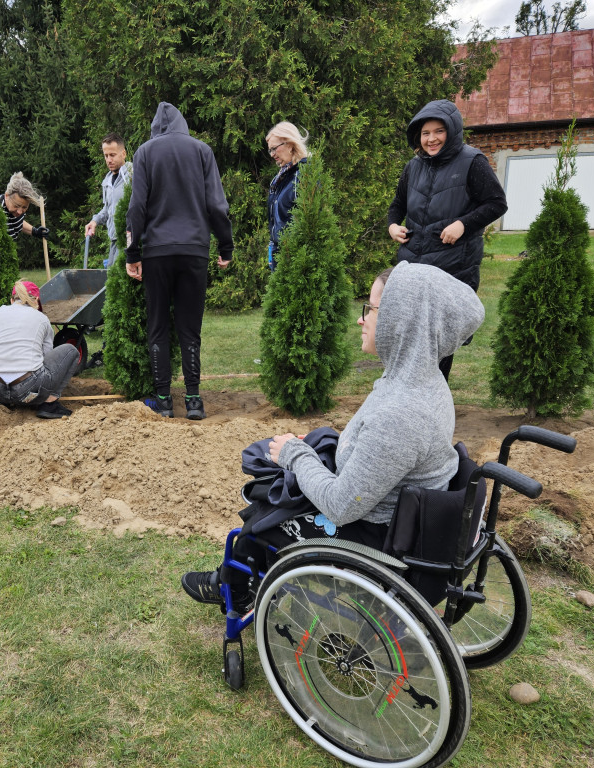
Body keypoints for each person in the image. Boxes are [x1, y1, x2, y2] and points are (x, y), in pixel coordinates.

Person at [181, 262, 485, 611]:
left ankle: (234, 587)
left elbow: (341, 506)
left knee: (261, 519)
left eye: (370, 309)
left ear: (400, 320)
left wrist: (296, 454)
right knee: (280, 488)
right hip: (392, 514)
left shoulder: (401, 413)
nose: (362, 319)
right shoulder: (423, 382)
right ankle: (245, 578)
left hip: (370, 537)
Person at [125, 101, 234, 421]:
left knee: (158, 325)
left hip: (157, 252)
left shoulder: (144, 153)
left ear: (155, 128)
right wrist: (225, 246)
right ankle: (194, 400)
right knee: (190, 328)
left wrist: (133, 253)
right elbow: (217, 205)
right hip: (194, 252)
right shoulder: (202, 151)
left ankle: (163, 400)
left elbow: (136, 208)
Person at [387, 100, 507, 381]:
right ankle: (406, 400)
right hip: (413, 263)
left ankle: (432, 407)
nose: (431, 139)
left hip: (452, 264)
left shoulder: (472, 161)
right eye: (425, 133)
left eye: (438, 131)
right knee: (408, 335)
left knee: (438, 340)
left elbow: (496, 203)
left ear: (452, 131)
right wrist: (393, 225)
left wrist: (463, 224)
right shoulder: (413, 166)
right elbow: (397, 205)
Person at [0, 280, 80, 420]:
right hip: (29, 389)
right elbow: (45, 358)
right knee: (71, 351)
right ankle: (49, 405)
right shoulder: (42, 319)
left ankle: (6, 400)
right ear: (36, 300)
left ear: (12, 300)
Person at [265, 121, 309, 271]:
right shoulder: (280, 179)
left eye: (274, 149)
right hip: (280, 258)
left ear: (290, 144)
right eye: (270, 150)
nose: (272, 155)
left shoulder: (304, 176)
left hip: (296, 261)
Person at [84, 133, 133, 268]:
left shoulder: (133, 175)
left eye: (112, 155)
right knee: (111, 279)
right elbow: (107, 209)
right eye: (106, 156)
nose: (109, 160)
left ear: (123, 154)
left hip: (129, 240)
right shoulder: (107, 181)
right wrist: (94, 221)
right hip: (114, 240)